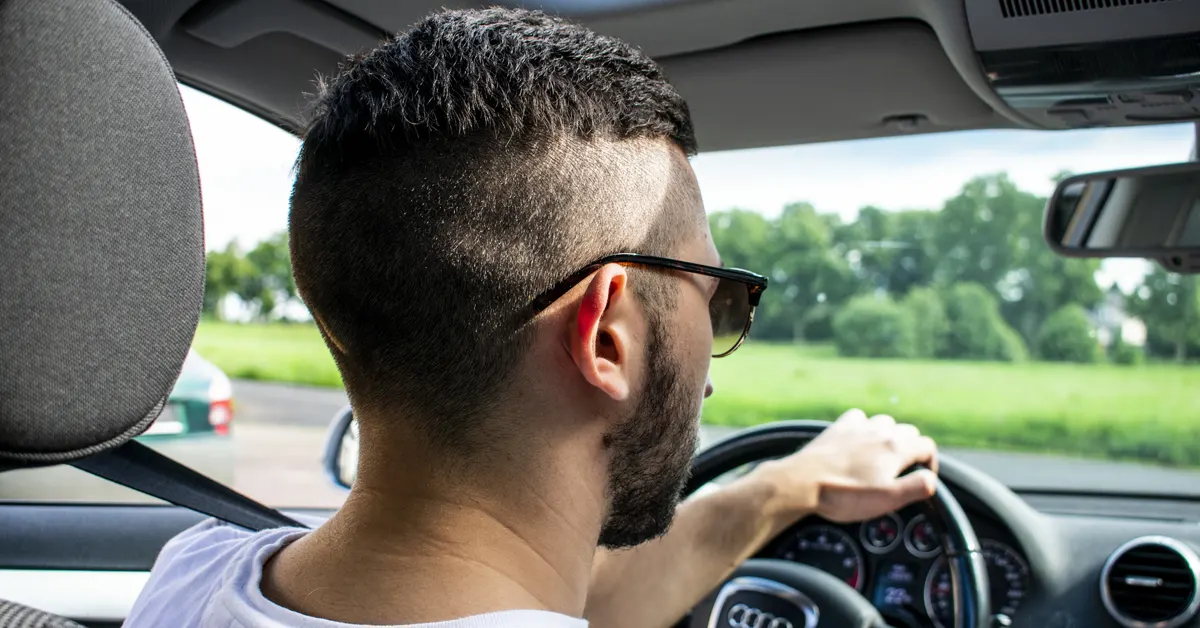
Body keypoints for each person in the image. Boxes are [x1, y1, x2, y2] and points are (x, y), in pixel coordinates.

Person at [127, 8, 939, 627]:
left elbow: (561, 594)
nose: (719, 326)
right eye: (716, 291)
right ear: (608, 336)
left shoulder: (192, 576)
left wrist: (783, 489)